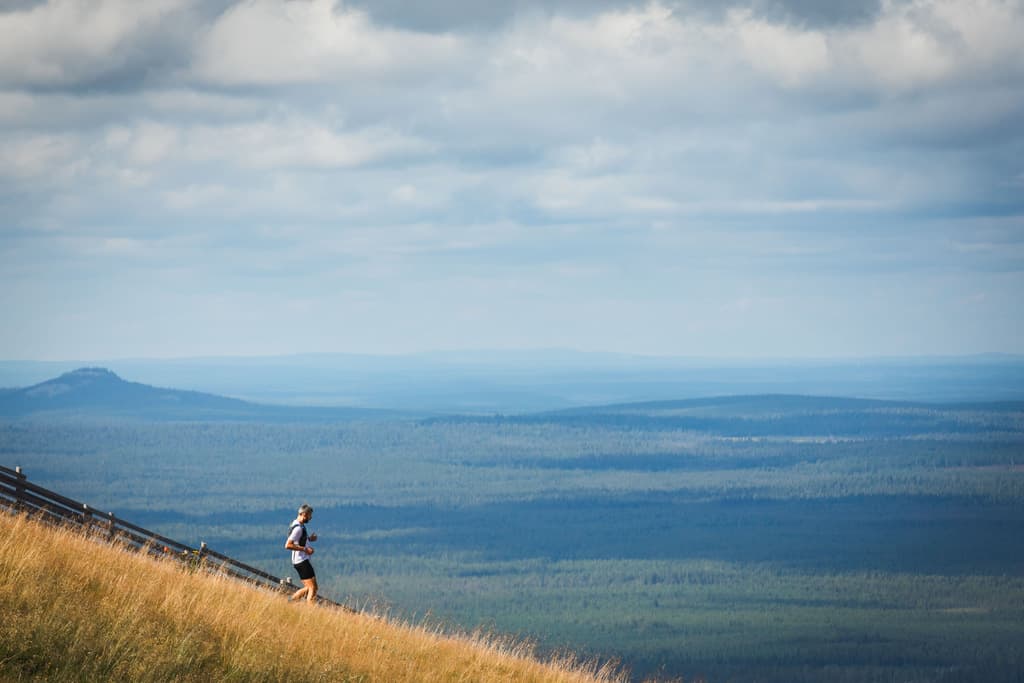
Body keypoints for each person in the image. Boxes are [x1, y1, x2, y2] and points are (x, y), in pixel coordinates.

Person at [285, 504, 318, 603]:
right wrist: (305, 549)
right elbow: (288, 545)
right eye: (309, 515)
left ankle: (290, 601)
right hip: (301, 561)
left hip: (300, 561)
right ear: (304, 514)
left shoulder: (297, 524)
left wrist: (309, 539)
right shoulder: (298, 528)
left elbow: (298, 540)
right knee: (312, 588)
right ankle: (310, 610)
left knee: (311, 587)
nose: (310, 518)